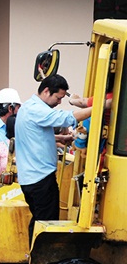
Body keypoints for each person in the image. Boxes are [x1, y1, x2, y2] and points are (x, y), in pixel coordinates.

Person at [15, 74, 93, 238]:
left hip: (31, 178)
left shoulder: (28, 107)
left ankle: (32, 258)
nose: (59, 102)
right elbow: (65, 118)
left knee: (38, 222)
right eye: (58, 98)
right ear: (46, 91)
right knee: (47, 227)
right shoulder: (37, 110)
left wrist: (59, 138)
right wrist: (98, 108)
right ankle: (41, 262)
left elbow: (35, 135)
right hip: (40, 179)